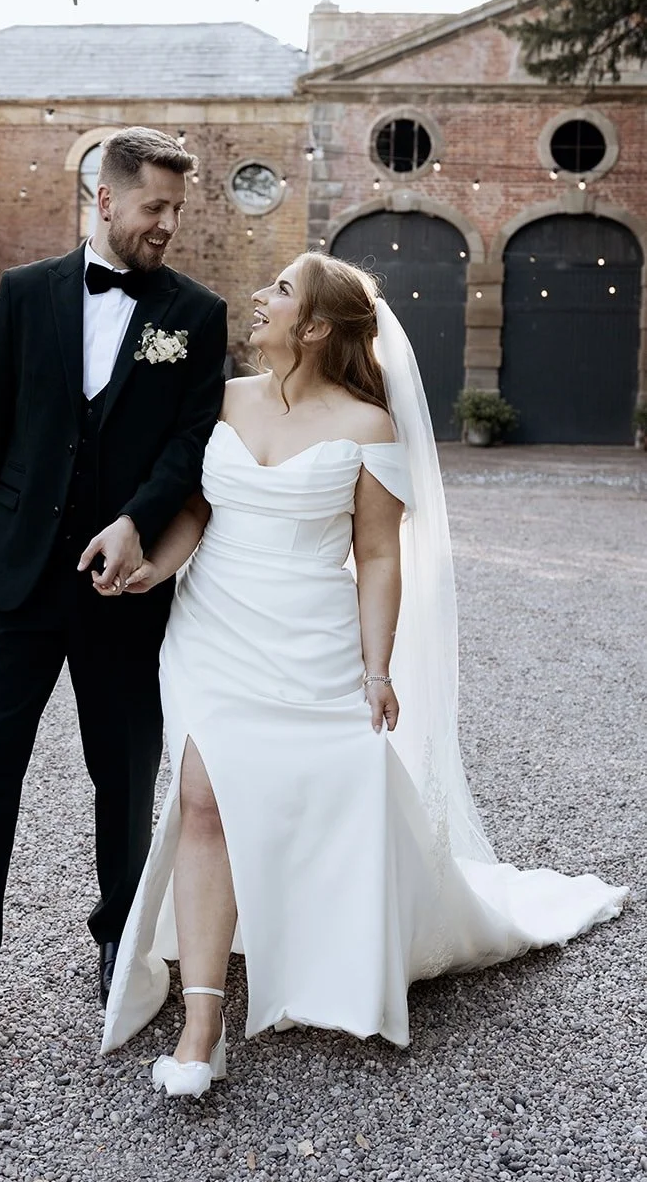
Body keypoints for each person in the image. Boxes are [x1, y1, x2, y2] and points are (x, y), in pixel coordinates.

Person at [101, 252, 628, 1096]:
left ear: (314, 326)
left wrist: (377, 667)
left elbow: (378, 554)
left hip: (311, 636)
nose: (259, 298)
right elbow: (198, 507)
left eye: (278, 291)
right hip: (213, 631)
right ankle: (203, 1026)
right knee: (203, 798)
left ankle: (333, 942)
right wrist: (154, 569)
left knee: (322, 792)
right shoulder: (223, 398)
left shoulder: (365, 425)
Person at [0, 127, 228, 1048]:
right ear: (105, 201)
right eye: (153, 207)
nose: (167, 225)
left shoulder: (196, 314)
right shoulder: (25, 292)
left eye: (177, 209)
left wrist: (137, 519)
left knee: (121, 775)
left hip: (125, 585)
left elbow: (190, 441)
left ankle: (120, 945)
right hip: (15, 575)